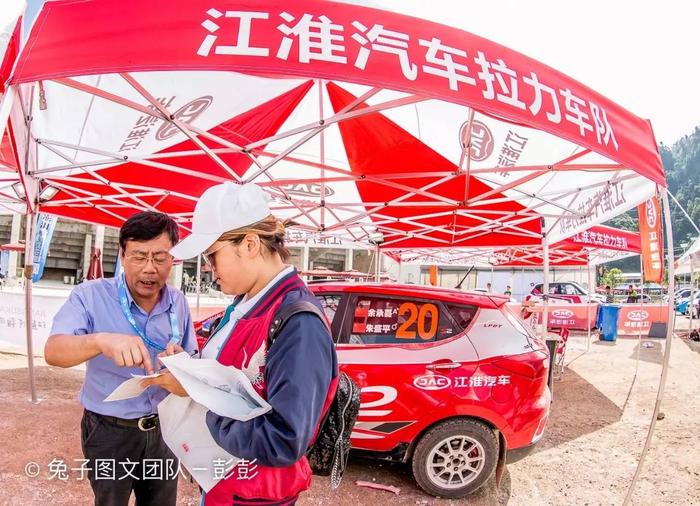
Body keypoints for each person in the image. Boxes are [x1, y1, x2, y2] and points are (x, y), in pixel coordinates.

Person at [142, 182, 338, 506]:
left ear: (249, 244)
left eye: (212, 255)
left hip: (255, 494)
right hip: (228, 481)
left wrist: (201, 399)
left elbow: (284, 439)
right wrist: (189, 367)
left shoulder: (299, 324)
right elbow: (231, 374)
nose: (209, 268)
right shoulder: (246, 302)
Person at [45, 212, 196, 506]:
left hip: (165, 428)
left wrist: (182, 363)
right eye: (139, 256)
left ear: (173, 259)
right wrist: (100, 340)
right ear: (123, 255)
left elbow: (192, 356)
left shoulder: (177, 301)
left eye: (160, 258)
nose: (150, 269)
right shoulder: (90, 296)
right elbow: (54, 351)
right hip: (109, 431)